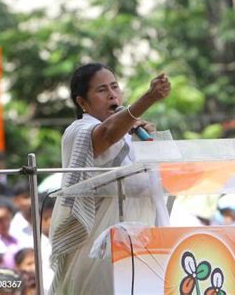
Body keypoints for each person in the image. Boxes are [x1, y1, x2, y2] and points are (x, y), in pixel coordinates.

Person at [49, 63, 171, 294]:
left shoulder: (130, 134)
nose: (112, 94)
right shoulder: (78, 131)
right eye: (102, 90)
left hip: (142, 249)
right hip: (98, 254)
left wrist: (150, 143)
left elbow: (161, 179)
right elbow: (106, 134)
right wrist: (149, 98)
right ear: (82, 102)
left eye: (115, 87)